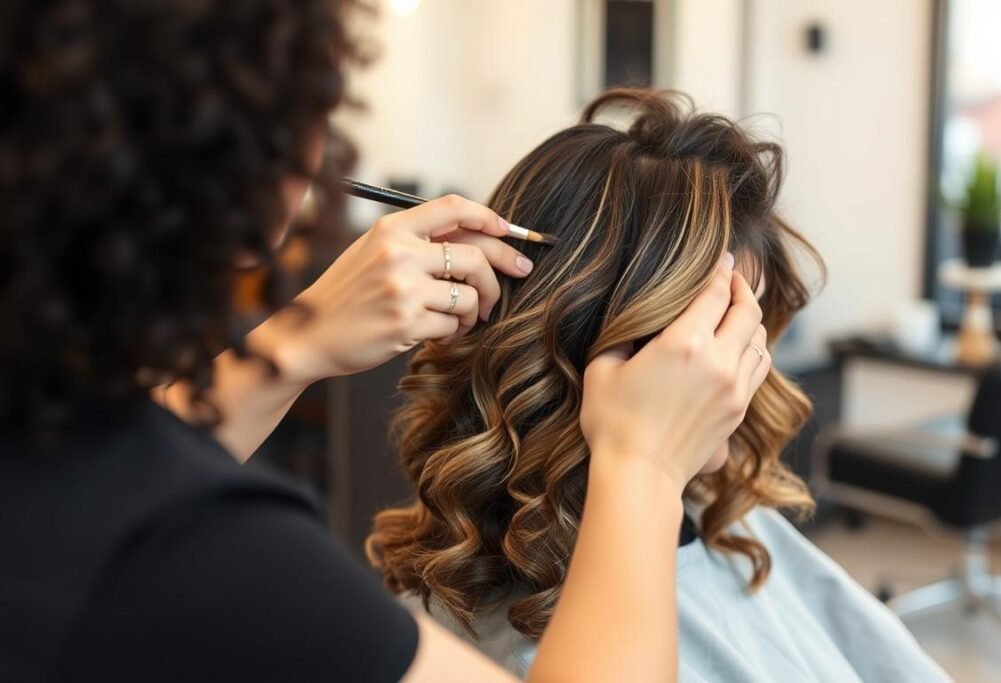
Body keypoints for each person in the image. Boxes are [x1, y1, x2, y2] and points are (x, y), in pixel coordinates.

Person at [0, 4, 766, 683]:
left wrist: (292, 344)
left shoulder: (52, 444)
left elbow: (103, 481)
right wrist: (641, 466)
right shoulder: (225, 561)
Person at [367, 89, 953, 682]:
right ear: (582, 353)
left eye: (747, 334)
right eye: (716, 332)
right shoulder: (476, 656)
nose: (737, 377)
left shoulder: (726, 523)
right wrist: (644, 462)